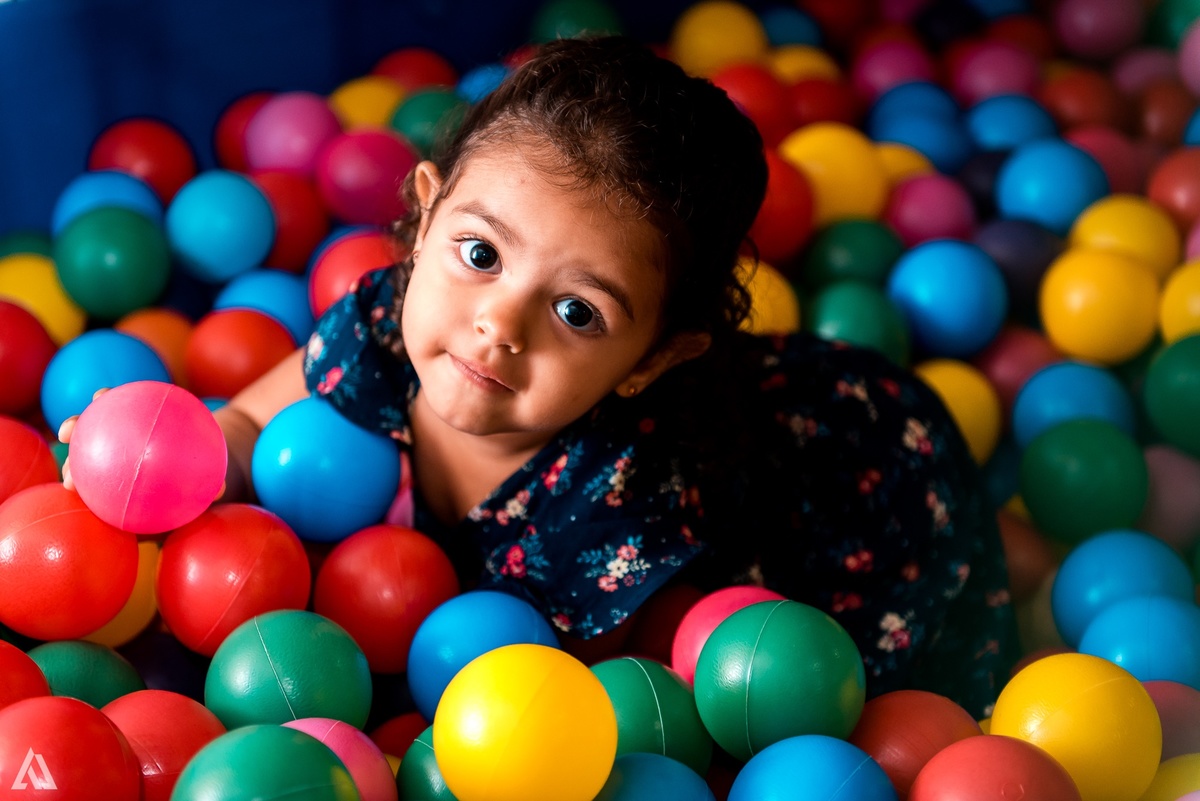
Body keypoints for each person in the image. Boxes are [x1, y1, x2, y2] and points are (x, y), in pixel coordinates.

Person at [67, 36, 1017, 716]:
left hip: (859, 476)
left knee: (891, 695)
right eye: (480, 253)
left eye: (577, 312)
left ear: (648, 357)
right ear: (426, 214)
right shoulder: (380, 323)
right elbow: (240, 430)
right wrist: (142, 463)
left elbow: (624, 702)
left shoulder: (619, 507)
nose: (499, 322)